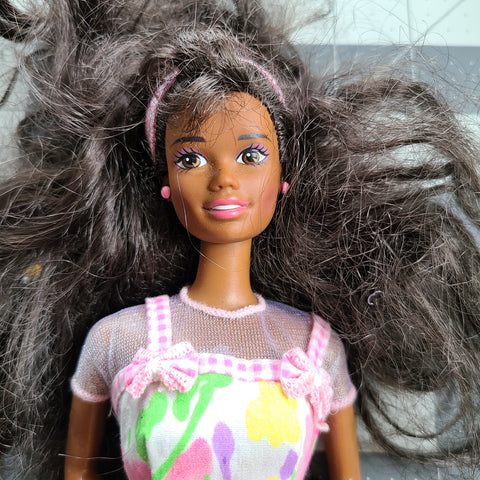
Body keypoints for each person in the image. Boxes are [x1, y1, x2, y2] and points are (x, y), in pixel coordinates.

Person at [0, 1, 479, 479]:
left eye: (251, 155)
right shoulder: (119, 339)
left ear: (284, 177)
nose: (224, 179)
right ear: (165, 184)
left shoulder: (314, 348)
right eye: (191, 159)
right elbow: (76, 472)